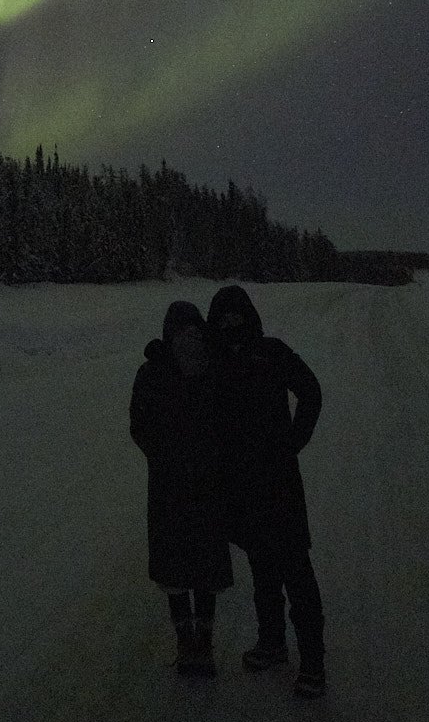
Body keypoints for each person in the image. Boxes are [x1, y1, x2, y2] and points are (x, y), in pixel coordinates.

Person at [206, 283, 327, 698]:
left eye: (236, 315)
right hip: (240, 489)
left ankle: (313, 661)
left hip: (279, 484)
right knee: (262, 569)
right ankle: (272, 642)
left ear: (249, 316)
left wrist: (293, 442)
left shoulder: (272, 352)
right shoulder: (215, 362)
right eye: (222, 318)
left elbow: (310, 392)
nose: (230, 323)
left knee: (296, 569)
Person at [129, 299, 233, 676]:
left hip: (169, 482)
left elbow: (139, 425)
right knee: (206, 560)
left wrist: (164, 457)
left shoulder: (152, 371)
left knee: (174, 563)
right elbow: (228, 419)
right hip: (208, 479)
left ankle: (185, 641)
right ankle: (203, 643)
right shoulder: (215, 365)